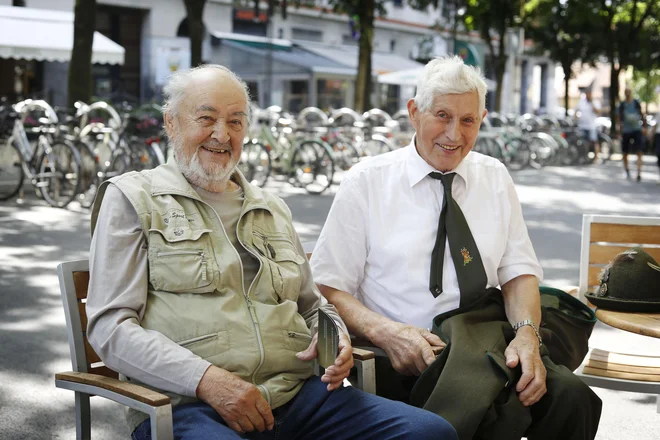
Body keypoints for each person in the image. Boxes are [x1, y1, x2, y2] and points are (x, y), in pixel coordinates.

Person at [86, 65, 457, 440]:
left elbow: (314, 306)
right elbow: (110, 327)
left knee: (430, 433)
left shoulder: (270, 207)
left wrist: (336, 339)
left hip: (298, 398)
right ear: (171, 123)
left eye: (235, 121)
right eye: (206, 119)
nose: (221, 134)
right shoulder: (134, 199)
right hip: (188, 408)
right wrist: (208, 381)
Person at [310, 56, 602, 440]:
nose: (454, 133)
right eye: (442, 115)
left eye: (468, 120)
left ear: (482, 120)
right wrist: (386, 332)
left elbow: (518, 273)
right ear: (414, 112)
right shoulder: (367, 183)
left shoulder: (494, 177)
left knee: (574, 398)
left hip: (487, 343)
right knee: (495, 415)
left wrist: (527, 334)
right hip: (406, 359)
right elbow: (327, 286)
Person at [618, 87, 644, 181]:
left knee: (639, 151)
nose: (628, 94)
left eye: (629, 92)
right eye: (626, 92)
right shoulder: (622, 105)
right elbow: (619, 118)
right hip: (626, 130)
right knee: (625, 152)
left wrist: (644, 127)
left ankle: (639, 172)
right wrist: (619, 130)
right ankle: (627, 170)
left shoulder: (636, 103)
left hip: (636, 129)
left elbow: (642, 114)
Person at [574, 90, 601, 163]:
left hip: (591, 126)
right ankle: (585, 157)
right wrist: (576, 118)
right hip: (582, 126)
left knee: (594, 142)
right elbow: (576, 110)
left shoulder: (594, 102)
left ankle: (596, 158)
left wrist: (592, 104)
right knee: (583, 142)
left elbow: (598, 111)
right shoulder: (581, 102)